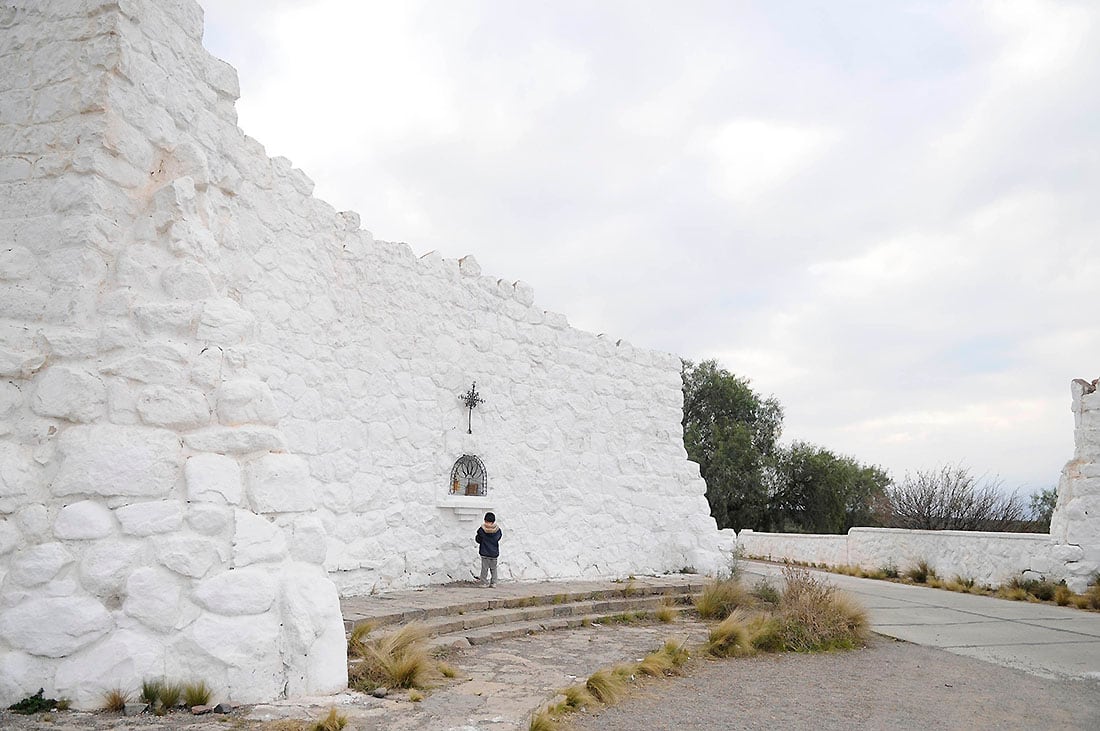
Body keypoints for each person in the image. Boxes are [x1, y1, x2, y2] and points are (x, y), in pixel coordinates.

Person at [475, 512, 502, 587]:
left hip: (484, 552)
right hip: (494, 553)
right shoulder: (497, 530)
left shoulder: (482, 530)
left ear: (485, 520)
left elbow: (478, 539)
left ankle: (483, 582)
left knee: (484, 568)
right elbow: (498, 538)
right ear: (493, 521)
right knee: (493, 568)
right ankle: (494, 582)